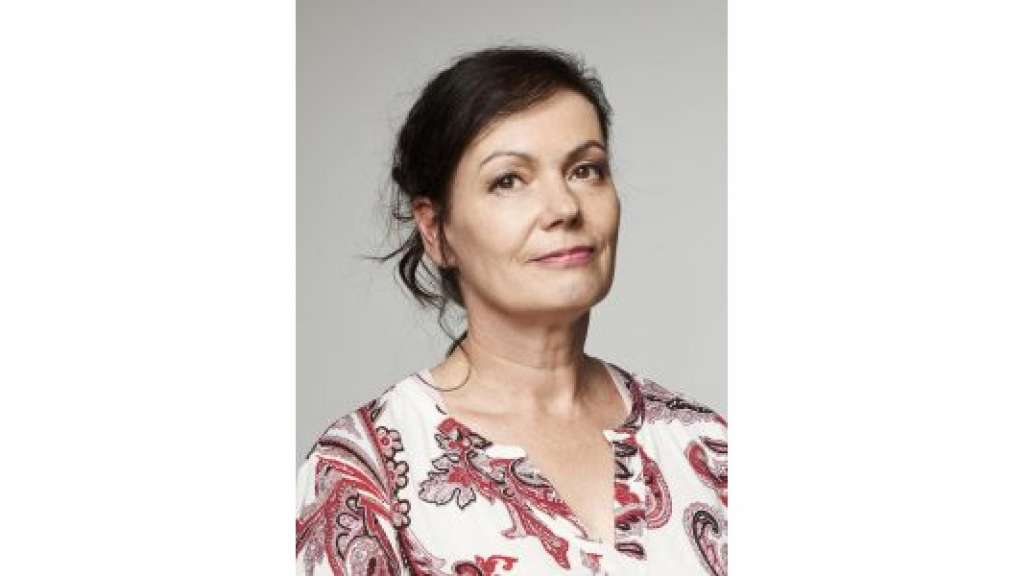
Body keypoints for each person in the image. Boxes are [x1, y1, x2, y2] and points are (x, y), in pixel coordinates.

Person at [296, 45, 727, 576]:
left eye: (585, 170)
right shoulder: (364, 476)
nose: (564, 208)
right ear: (435, 230)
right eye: (508, 180)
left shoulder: (708, 449)